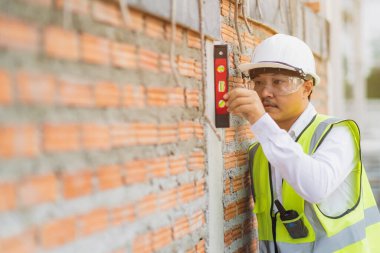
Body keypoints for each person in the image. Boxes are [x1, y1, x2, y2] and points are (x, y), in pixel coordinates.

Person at [223, 34, 380, 253]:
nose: (265, 92)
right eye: (258, 83)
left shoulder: (338, 134)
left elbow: (315, 187)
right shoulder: (260, 151)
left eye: (278, 82)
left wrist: (261, 122)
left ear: (307, 87)